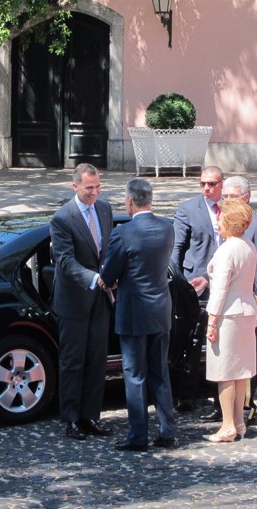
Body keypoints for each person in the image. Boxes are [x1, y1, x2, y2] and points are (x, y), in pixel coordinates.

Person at [99, 178, 177, 452]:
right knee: (160, 372)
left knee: (134, 375)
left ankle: (138, 435)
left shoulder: (124, 233)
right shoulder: (167, 228)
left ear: (130, 201)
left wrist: (112, 281)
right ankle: (167, 430)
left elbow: (108, 274)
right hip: (160, 309)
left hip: (133, 311)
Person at [50, 163, 114, 441]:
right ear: (74, 186)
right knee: (73, 361)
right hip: (74, 299)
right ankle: (72, 419)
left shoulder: (105, 209)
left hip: (100, 299)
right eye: (89, 188)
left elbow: (109, 249)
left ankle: (91, 416)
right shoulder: (63, 218)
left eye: (98, 187)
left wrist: (113, 274)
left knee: (97, 360)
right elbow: (65, 261)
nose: (95, 193)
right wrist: (94, 278)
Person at [202, 198, 257, 443]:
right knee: (241, 371)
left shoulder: (227, 250)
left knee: (225, 371)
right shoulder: (248, 246)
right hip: (246, 312)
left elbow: (220, 290)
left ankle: (227, 425)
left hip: (228, 315)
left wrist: (211, 321)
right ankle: (238, 422)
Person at [170, 166, 225, 412]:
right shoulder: (188, 209)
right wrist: (179, 282)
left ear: (221, 184)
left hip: (224, 281)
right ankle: (185, 394)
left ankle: (221, 395)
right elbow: (176, 249)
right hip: (194, 284)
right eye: (202, 183)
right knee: (191, 340)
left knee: (221, 340)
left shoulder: (230, 208)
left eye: (211, 183)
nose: (206, 188)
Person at [221, 175, 257, 424]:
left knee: (245, 358)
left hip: (247, 304)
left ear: (247, 198)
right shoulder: (226, 223)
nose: (228, 201)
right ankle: (224, 407)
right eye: (226, 197)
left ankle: (245, 406)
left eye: (233, 197)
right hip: (228, 302)